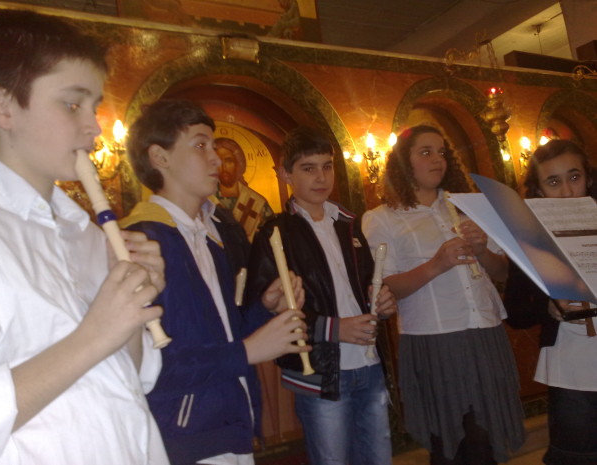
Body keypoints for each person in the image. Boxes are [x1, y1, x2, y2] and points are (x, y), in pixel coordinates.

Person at [0, 9, 169, 465]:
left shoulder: (87, 234)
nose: (95, 127)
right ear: (2, 106)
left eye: (94, 106)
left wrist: (132, 305)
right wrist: (95, 334)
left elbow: (130, 378)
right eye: (71, 105)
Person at [121, 98, 310, 465]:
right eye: (200, 145)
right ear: (159, 157)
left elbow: (224, 332)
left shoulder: (210, 236)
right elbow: (149, 364)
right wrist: (248, 352)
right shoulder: (140, 243)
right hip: (183, 434)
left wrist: (265, 309)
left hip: (231, 419)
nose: (216, 159)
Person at [362, 125, 525, 465]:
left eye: (441, 152)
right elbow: (386, 286)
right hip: (436, 339)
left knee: (487, 436)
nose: (437, 159)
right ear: (403, 162)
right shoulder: (382, 218)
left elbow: (502, 273)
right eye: (425, 152)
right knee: (454, 443)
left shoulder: (468, 207)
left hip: (485, 332)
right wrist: (437, 265)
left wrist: (482, 250)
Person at [246, 126, 396, 465]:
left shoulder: (348, 223)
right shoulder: (275, 233)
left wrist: (382, 302)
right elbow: (267, 311)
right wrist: (336, 328)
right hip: (319, 370)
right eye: (308, 168)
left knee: (378, 458)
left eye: (327, 166)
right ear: (286, 174)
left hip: (369, 363)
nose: (321, 177)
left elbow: (366, 286)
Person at [504, 139, 597, 465]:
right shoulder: (530, 239)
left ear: (588, 178)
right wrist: (547, 308)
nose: (568, 192)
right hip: (570, 370)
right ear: (540, 191)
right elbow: (515, 312)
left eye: (574, 177)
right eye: (554, 182)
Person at [213, 137, 273, 241]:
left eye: (229, 161)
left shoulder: (257, 203)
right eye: (218, 162)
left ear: (238, 163)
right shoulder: (207, 200)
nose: (224, 167)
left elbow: (273, 236)